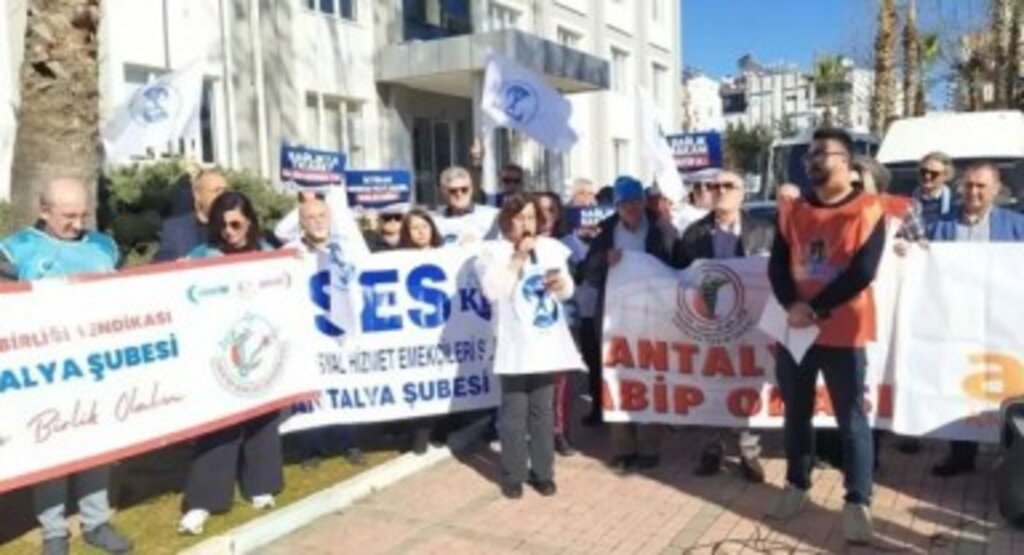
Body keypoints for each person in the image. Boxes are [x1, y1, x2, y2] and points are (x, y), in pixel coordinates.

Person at [0, 178, 133, 555]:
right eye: (67, 216)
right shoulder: (15, 251)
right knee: (52, 449)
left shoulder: (103, 246)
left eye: (82, 214)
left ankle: (96, 522)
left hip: (98, 366)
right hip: (45, 373)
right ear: (44, 211)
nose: (77, 223)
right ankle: (54, 532)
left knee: (95, 444)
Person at [767, 128, 886, 545]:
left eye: (821, 153)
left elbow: (863, 271)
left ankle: (857, 502)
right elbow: (777, 265)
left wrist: (814, 309)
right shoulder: (792, 210)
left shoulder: (869, 209)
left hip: (843, 330)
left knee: (851, 420)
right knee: (795, 412)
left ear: (846, 161)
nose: (812, 160)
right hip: (794, 328)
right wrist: (791, 306)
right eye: (809, 155)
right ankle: (796, 485)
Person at [179, 192, 283, 535]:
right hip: (216, 355)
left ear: (250, 221)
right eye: (222, 224)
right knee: (218, 426)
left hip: (261, 347)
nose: (229, 231)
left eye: (236, 223)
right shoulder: (201, 256)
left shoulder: (269, 255)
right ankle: (204, 500)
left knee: (262, 418)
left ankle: (260, 484)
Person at [475, 193, 585, 499]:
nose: (527, 224)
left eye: (531, 217)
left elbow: (567, 292)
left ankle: (543, 472)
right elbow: (493, 291)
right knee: (513, 413)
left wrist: (561, 285)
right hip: (513, 346)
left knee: (543, 412)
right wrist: (519, 257)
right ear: (506, 221)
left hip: (545, 344)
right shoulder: (491, 252)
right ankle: (513, 473)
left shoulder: (550, 248)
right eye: (520, 217)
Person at [926, 162, 1024, 478]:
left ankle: (1011, 461)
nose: (973, 192)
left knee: (1005, 387)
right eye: (968, 185)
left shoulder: (1016, 226)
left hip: (1003, 323)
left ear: (996, 190)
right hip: (954, 322)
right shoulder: (940, 226)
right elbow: (920, 264)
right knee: (959, 386)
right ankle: (961, 454)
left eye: (981, 186)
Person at [675, 170, 774, 483]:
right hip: (709, 324)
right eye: (713, 186)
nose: (719, 191)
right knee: (710, 386)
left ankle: (748, 451)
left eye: (727, 186)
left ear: (743, 193)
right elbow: (677, 277)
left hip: (752, 324)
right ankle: (711, 449)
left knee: (745, 384)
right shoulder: (693, 234)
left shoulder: (765, 230)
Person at [582, 176, 679, 472]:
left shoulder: (662, 228)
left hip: (654, 317)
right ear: (618, 206)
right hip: (616, 318)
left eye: (636, 201)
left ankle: (650, 448)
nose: (632, 208)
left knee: (651, 379)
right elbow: (588, 273)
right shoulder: (607, 233)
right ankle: (624, 449)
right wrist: (603, 261)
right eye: (625, 204)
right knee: (617, 379)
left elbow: (680, 266)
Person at [286, 193, 367, 469]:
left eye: (322, 216)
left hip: (342, 331)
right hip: (310, 332)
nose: (317, 222)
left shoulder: (347, 247)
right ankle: (312, 448)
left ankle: (350, 443)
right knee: (312, 390)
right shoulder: (291, 252)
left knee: (344, 384)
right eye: (310, 218)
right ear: (301, 224)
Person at [537, 192, 576, 456]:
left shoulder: (571, 243)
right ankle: (536, 432)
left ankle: (559, 432)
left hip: (565, 320)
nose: (546, 216)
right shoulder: (519, 245)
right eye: (540, 211)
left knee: (561, 382)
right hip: (532, 324)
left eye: (551, 210)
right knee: (537, 382)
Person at [153, 169, 228, 262]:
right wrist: (176, 263)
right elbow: (161, 260)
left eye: (225, 191)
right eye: (216, 191)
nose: (223, 196)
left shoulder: (236, 224)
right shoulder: (174, 229)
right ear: (197, 195)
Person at [433, 166, 499, 246]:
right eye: (453, 191)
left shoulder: (492, 215)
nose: (459, 194)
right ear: (444, 192)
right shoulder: (434, 220)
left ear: (471, 190)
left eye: (464, 189)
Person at [914, 151, 958, 225]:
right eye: (924, 172)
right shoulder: (907, 199)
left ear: (945, 176)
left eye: (934, 173)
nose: (927, 176)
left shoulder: (955, 202)